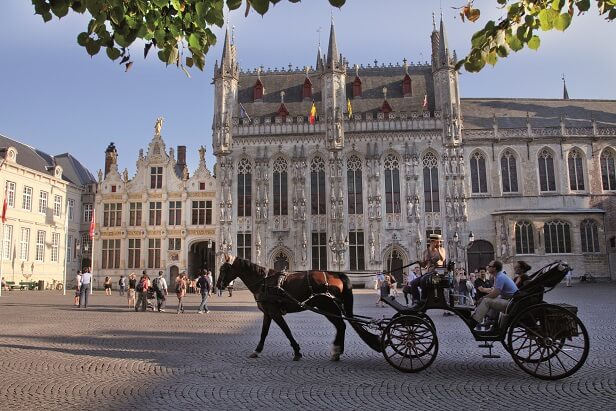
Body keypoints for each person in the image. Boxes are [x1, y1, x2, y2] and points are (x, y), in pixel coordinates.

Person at [472, 260, 518, 332]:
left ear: (494, 268)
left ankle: (474, 321)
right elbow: (494, 292)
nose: (487, 267)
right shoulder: (498, 276)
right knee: (492, 299)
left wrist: (483, 298)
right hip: (509, 300)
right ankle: (493, 321)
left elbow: (495, 293)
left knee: (486, 301)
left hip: (511, 303)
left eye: (489, 266)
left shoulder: (500, 277)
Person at [410, 233, 446, 308]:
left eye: (438, 242)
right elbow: (424, 265)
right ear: (431, 242)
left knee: (423, 280)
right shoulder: (426, 252)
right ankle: (416, 300)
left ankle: (424, 299)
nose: (437, 243)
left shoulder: (442, 250)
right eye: (436, 242)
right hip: (429, 273)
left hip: (438, 273)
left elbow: (443, 259)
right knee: (413, 283)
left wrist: (438, 248)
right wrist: (420, 263)